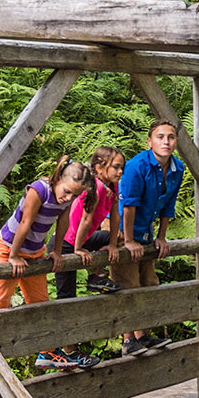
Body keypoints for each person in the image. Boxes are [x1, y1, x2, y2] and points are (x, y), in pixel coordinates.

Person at [0, 156, 95, 370]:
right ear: (58, 178)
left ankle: (47, 353)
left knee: (40, 304)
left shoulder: (66, 199)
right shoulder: (39, 190)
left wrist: (56, 251)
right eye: (66, 191)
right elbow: (25, 221)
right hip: (8, 248)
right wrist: (13, 256)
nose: (68, 198)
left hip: (35, 252)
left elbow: (63, 221)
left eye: (75, 195)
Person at [47, 146, 126, 368]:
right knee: (67, 299)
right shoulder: (95, 188)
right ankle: (68, 352)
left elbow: (116, 214)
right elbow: (85, 220)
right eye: (116, 167)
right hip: (65, 244)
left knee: (118, 238)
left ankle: (95, 277)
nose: (120, 172)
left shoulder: (112, 186)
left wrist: (111, 244)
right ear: (100, 168)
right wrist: (78, 249)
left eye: (122, 168)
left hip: (81, 240)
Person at [113, 119, 184, 356]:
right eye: (160, 136)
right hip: (124, 229)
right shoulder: (137, 166)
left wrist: (161, 237)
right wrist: (129, 240)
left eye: (171, 137)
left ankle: (143, 335)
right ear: (150, 141)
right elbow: (128, 205)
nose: (166, 141)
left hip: (147, 231)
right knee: (128, 283)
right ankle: (127, 339)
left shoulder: (177, 168)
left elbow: (168, 204)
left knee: (149, 282)